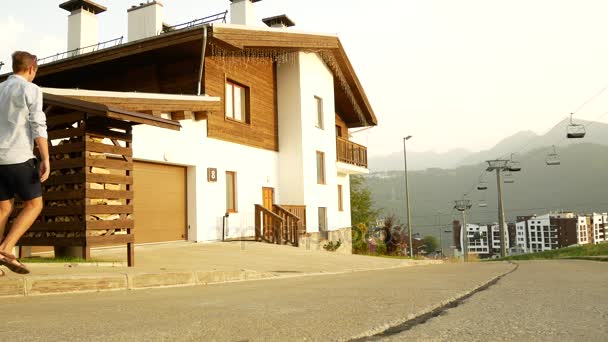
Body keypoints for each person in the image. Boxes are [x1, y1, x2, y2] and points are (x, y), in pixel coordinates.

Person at [0, 51, 49, 276]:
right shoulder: (31, 89)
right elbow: (38, 124)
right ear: (31, 68)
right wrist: (46, 158)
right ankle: (5, 248)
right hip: (18, 156)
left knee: (3, 208)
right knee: (34, 205)